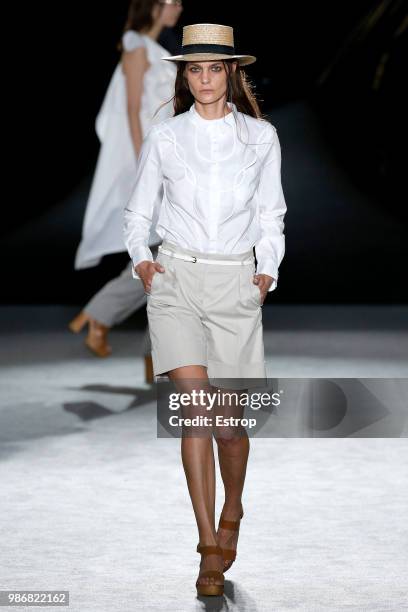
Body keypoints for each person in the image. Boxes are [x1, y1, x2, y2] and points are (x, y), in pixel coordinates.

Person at [123, 23, 287, 597]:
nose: (206, 78)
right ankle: (208, 548)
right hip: (176, 280)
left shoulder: (260, 138)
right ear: (185, 75)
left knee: (231, 430)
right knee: (195, 413)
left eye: (215, 68)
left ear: (231, 73)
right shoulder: (166, 136)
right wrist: (142, 260)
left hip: (235, 284)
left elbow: (272, 214)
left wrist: (267, 268)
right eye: (195, 69)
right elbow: (138, 209)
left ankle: (233, 510)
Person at [69, 0, 182, 382]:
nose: (179, 8)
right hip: (152, 160)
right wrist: (143, 164)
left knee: (170, 256)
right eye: (173, 2)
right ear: (154, 7)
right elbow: (133, 108)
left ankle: (105, 321)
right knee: (169, 253)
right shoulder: (136, 44)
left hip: (168, 157)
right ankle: (109, 321)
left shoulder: (153, 49)